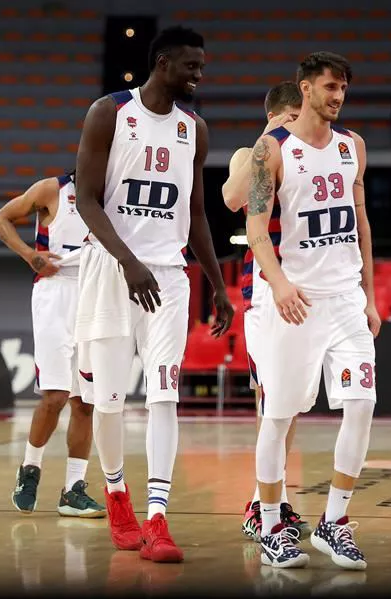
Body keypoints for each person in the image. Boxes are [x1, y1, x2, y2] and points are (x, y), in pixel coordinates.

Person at [74, 26, 234, 563]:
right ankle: (117, 496)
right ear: (162, 63)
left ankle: (159, 516)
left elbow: (195, 214)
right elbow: (87, 202)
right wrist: (128, 261)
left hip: (167, 278)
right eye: (191, 66)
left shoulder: (195, 128)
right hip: (113, 271)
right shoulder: (109, 113)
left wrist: (215, 284)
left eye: (202, 66)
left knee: (165, 395)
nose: (199, 75)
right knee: (111, 399)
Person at [246, 52, 379, 570]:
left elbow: (362, 223)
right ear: (304, 90)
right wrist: (278, 283)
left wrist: (368, 294)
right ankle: (274, 524)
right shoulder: (270, 150)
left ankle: (334, 521)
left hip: (345, 298)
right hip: (296, 300)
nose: (338, 96)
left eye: (343, 87)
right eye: (329, 87)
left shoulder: (353, 146)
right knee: (279, 415)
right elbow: (257, 229)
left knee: (362, 403)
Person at [221, 81, 309, 542]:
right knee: (271, 402)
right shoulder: (253, 152)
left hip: (306, 288)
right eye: (293, 118)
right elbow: (231, 199)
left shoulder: (313, 154)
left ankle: (272, 497)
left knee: (290, 406)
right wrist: (268, 137)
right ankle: (263, 504)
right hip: (264, 291)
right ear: (281, 115)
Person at [0, 172, 106, 518]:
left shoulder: (115, 192)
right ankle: (30, 468)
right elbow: (0, 220)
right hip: (55, 294)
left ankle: (73, 489)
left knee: (85, 401)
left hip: (97, 293)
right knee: (55, 397)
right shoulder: (52, 189)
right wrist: (30, 254)